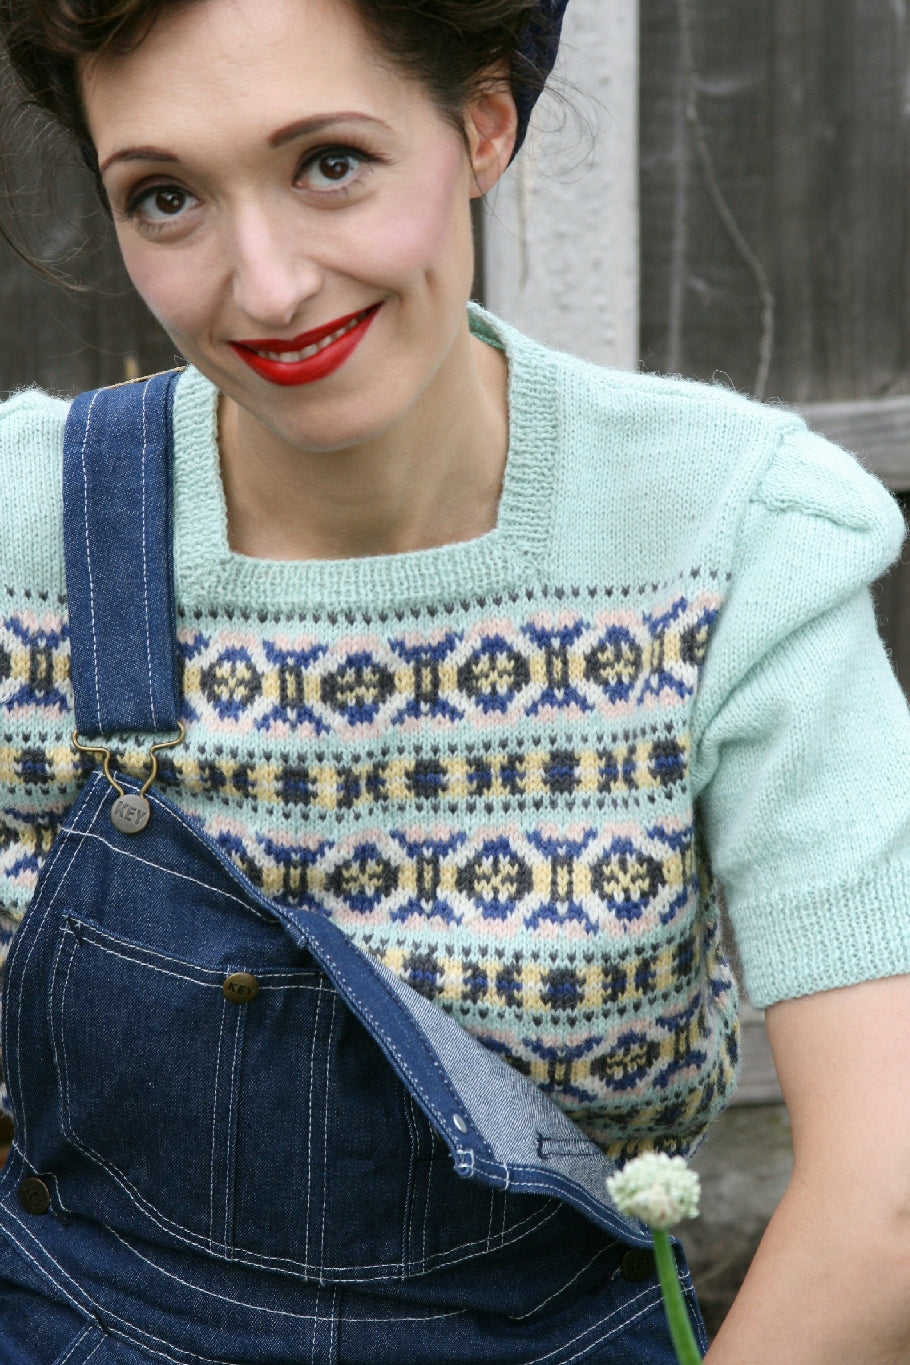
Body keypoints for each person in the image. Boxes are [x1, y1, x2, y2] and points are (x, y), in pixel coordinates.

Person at [0, 0, 908, 1361]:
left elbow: (884, 1192)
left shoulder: (722, 536)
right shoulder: (26, 539)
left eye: (329, 163)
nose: (265, 286)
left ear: (481, 121)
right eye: (167, 195)